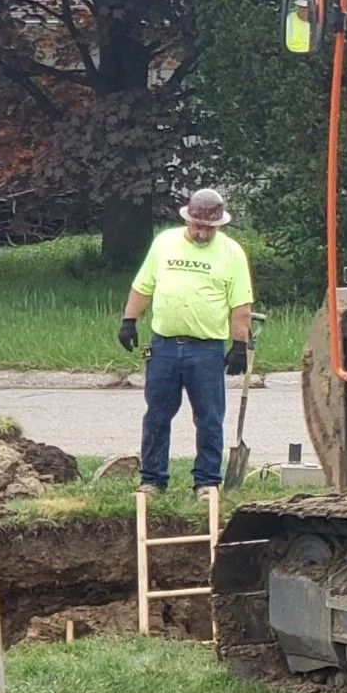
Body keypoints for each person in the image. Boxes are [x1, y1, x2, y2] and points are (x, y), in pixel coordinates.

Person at [117, 189, 255, 497]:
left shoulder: (231, 253)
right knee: (157, 414)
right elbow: (143, 286)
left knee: (208, 417)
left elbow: (241, 307)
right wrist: (129, 321)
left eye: (210, 227)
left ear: (219, 225)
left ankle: (206, 482)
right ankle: (152, 480)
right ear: (188, 219)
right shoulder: (164, 243)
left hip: (206, 350)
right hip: (163, 346)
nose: (203, 232)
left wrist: (239, 345)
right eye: (198, 226)